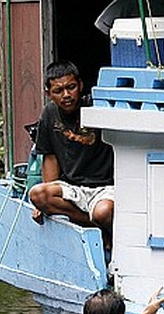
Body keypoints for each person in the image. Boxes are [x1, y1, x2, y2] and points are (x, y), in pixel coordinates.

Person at [29, 60, 114, 239]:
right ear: (48, 93)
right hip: (72, 187)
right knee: (38, 195)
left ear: (80, 85)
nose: (66, 95)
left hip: (105, 187)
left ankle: (99, 224)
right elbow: (49, 156)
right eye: (58, 91)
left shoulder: (95, 105)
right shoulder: (49, 114)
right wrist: (42, 204)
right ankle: (96, 227)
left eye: (71, 87)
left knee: (103, 212)